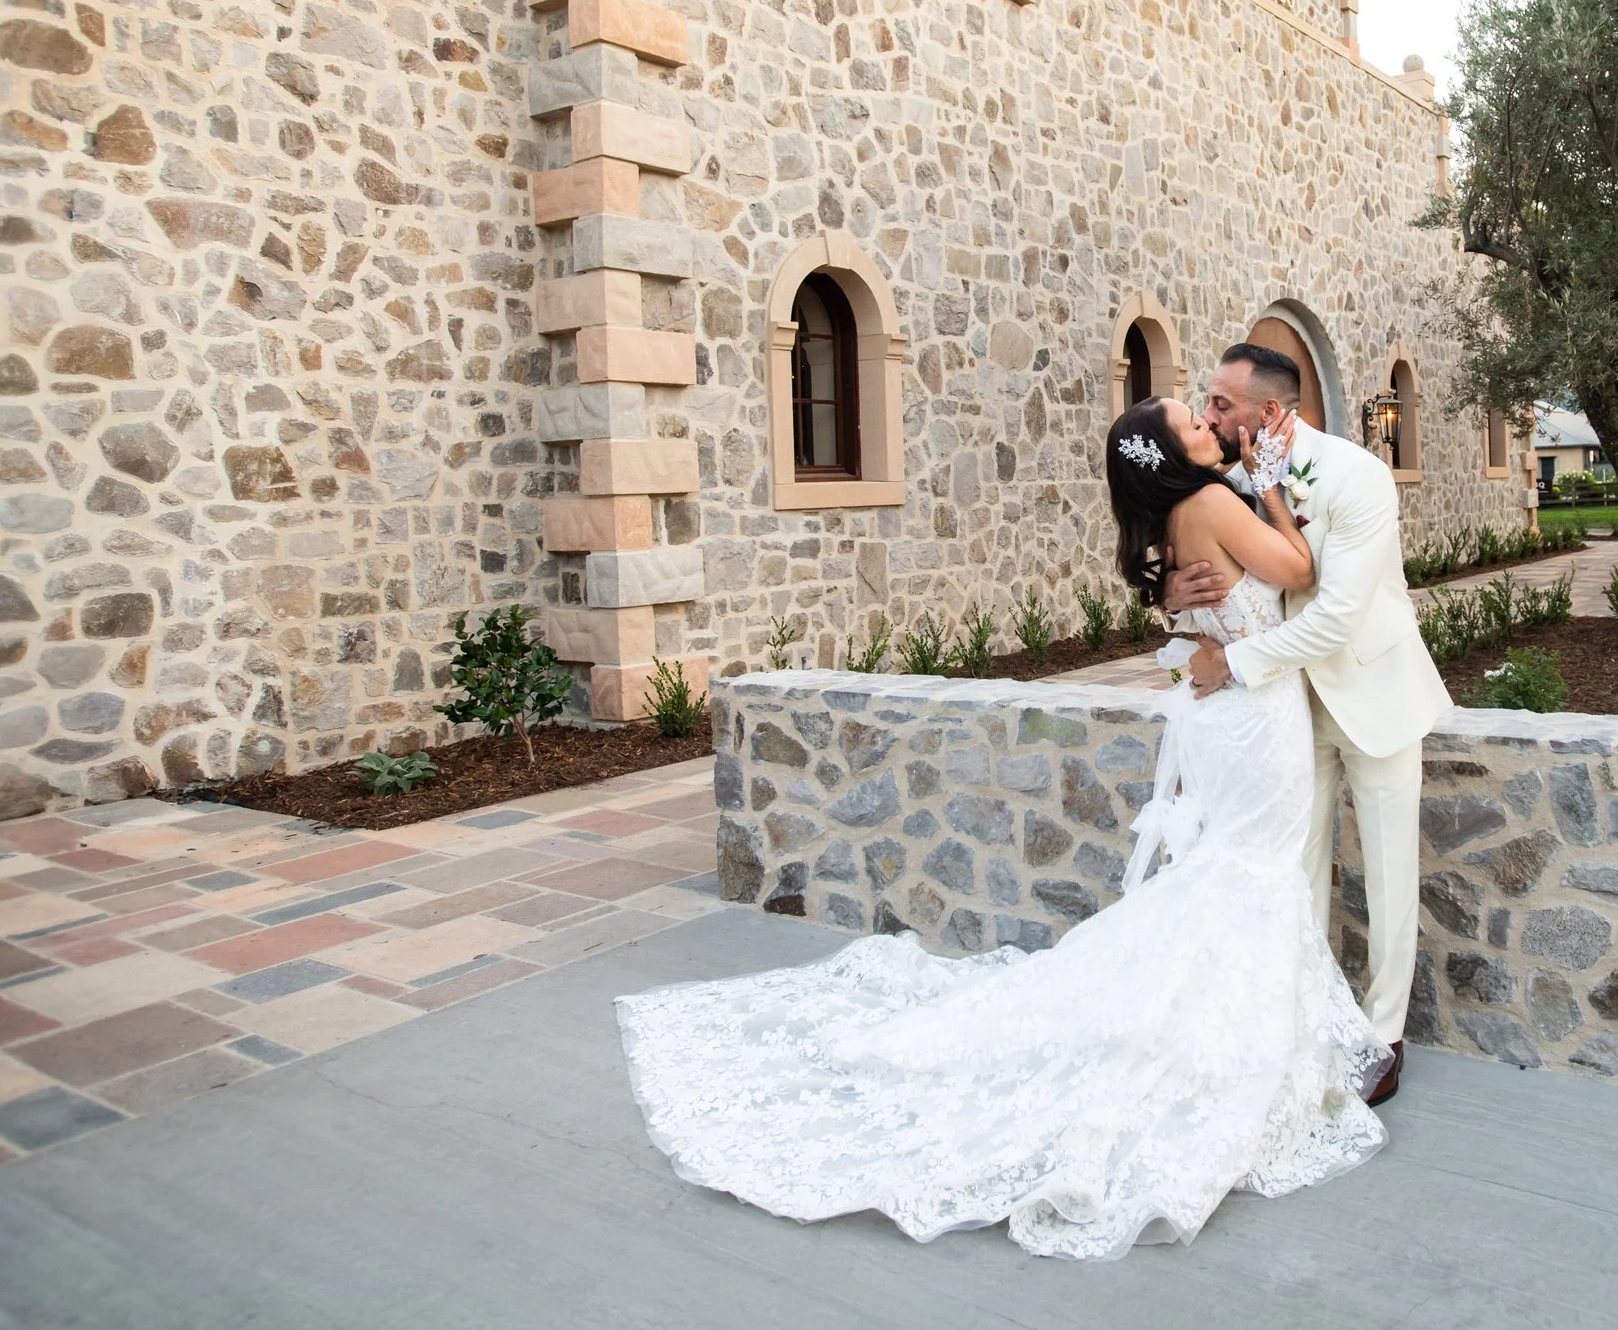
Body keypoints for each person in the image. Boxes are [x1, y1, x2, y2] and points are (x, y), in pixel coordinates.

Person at [614, 393, 1390, 1259]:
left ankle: (1224, 1040)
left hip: (1227, 715)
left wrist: (1201, 574)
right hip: (1251, 718)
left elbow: (1199, 612)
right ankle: (1218, 1054)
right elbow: (1296, 572)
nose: (1212, 427)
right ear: (1171, 454)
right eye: (1194, 423)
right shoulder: (1210, 503)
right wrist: (1274, 486)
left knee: (1234, 872)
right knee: (1246, 873)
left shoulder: (1177, 519)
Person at [1163, 343, 1451, 1107]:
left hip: (1371, 694)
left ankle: (1383, 1035)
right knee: (1294, 871)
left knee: (1389, 875)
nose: (1209, 413)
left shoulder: (1357, 476)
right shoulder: (1223, 485)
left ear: (1268, 410)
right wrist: (1169, 593)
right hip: (1286, 714)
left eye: (1221, 403)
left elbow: (1333, 619)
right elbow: (1204, 577)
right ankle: (1298, 1018)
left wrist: (1236, 663)